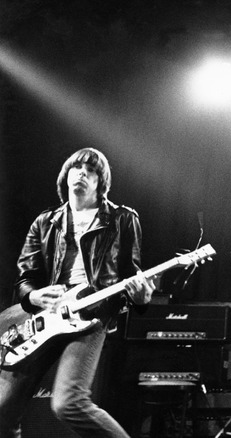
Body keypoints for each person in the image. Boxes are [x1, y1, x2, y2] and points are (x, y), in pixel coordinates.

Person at [0, 148, 155, 438]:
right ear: (65, 176)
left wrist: (140, 298)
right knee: (2, 409)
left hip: (92, 315)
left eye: (91, 170)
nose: (82, 173)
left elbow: (130, 277)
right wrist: (34, 296)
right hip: (47, 317)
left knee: (68, 403)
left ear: (101, 182)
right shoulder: (45, 223)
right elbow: (25, 279)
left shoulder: (122, 219)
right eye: (77, 167)